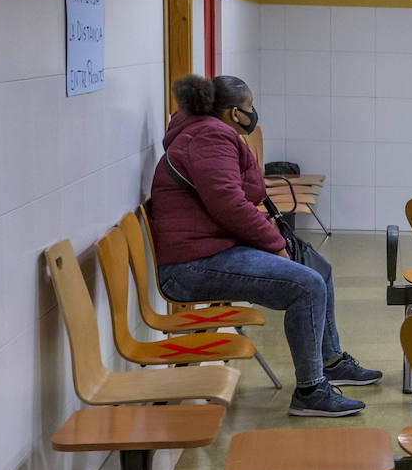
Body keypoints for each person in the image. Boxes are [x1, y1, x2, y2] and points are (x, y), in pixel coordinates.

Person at [149, 74, 381, 417]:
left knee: (318, 268)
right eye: (249, 108)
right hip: (190, 265)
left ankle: (329, 360)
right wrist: (274, 244)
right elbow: (231, 203)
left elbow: (249, 190)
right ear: (231, 112)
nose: (253, 113)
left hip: (208, 249)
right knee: (305, 284)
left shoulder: (210, 132)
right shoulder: (210, 137)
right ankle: (311, 391)